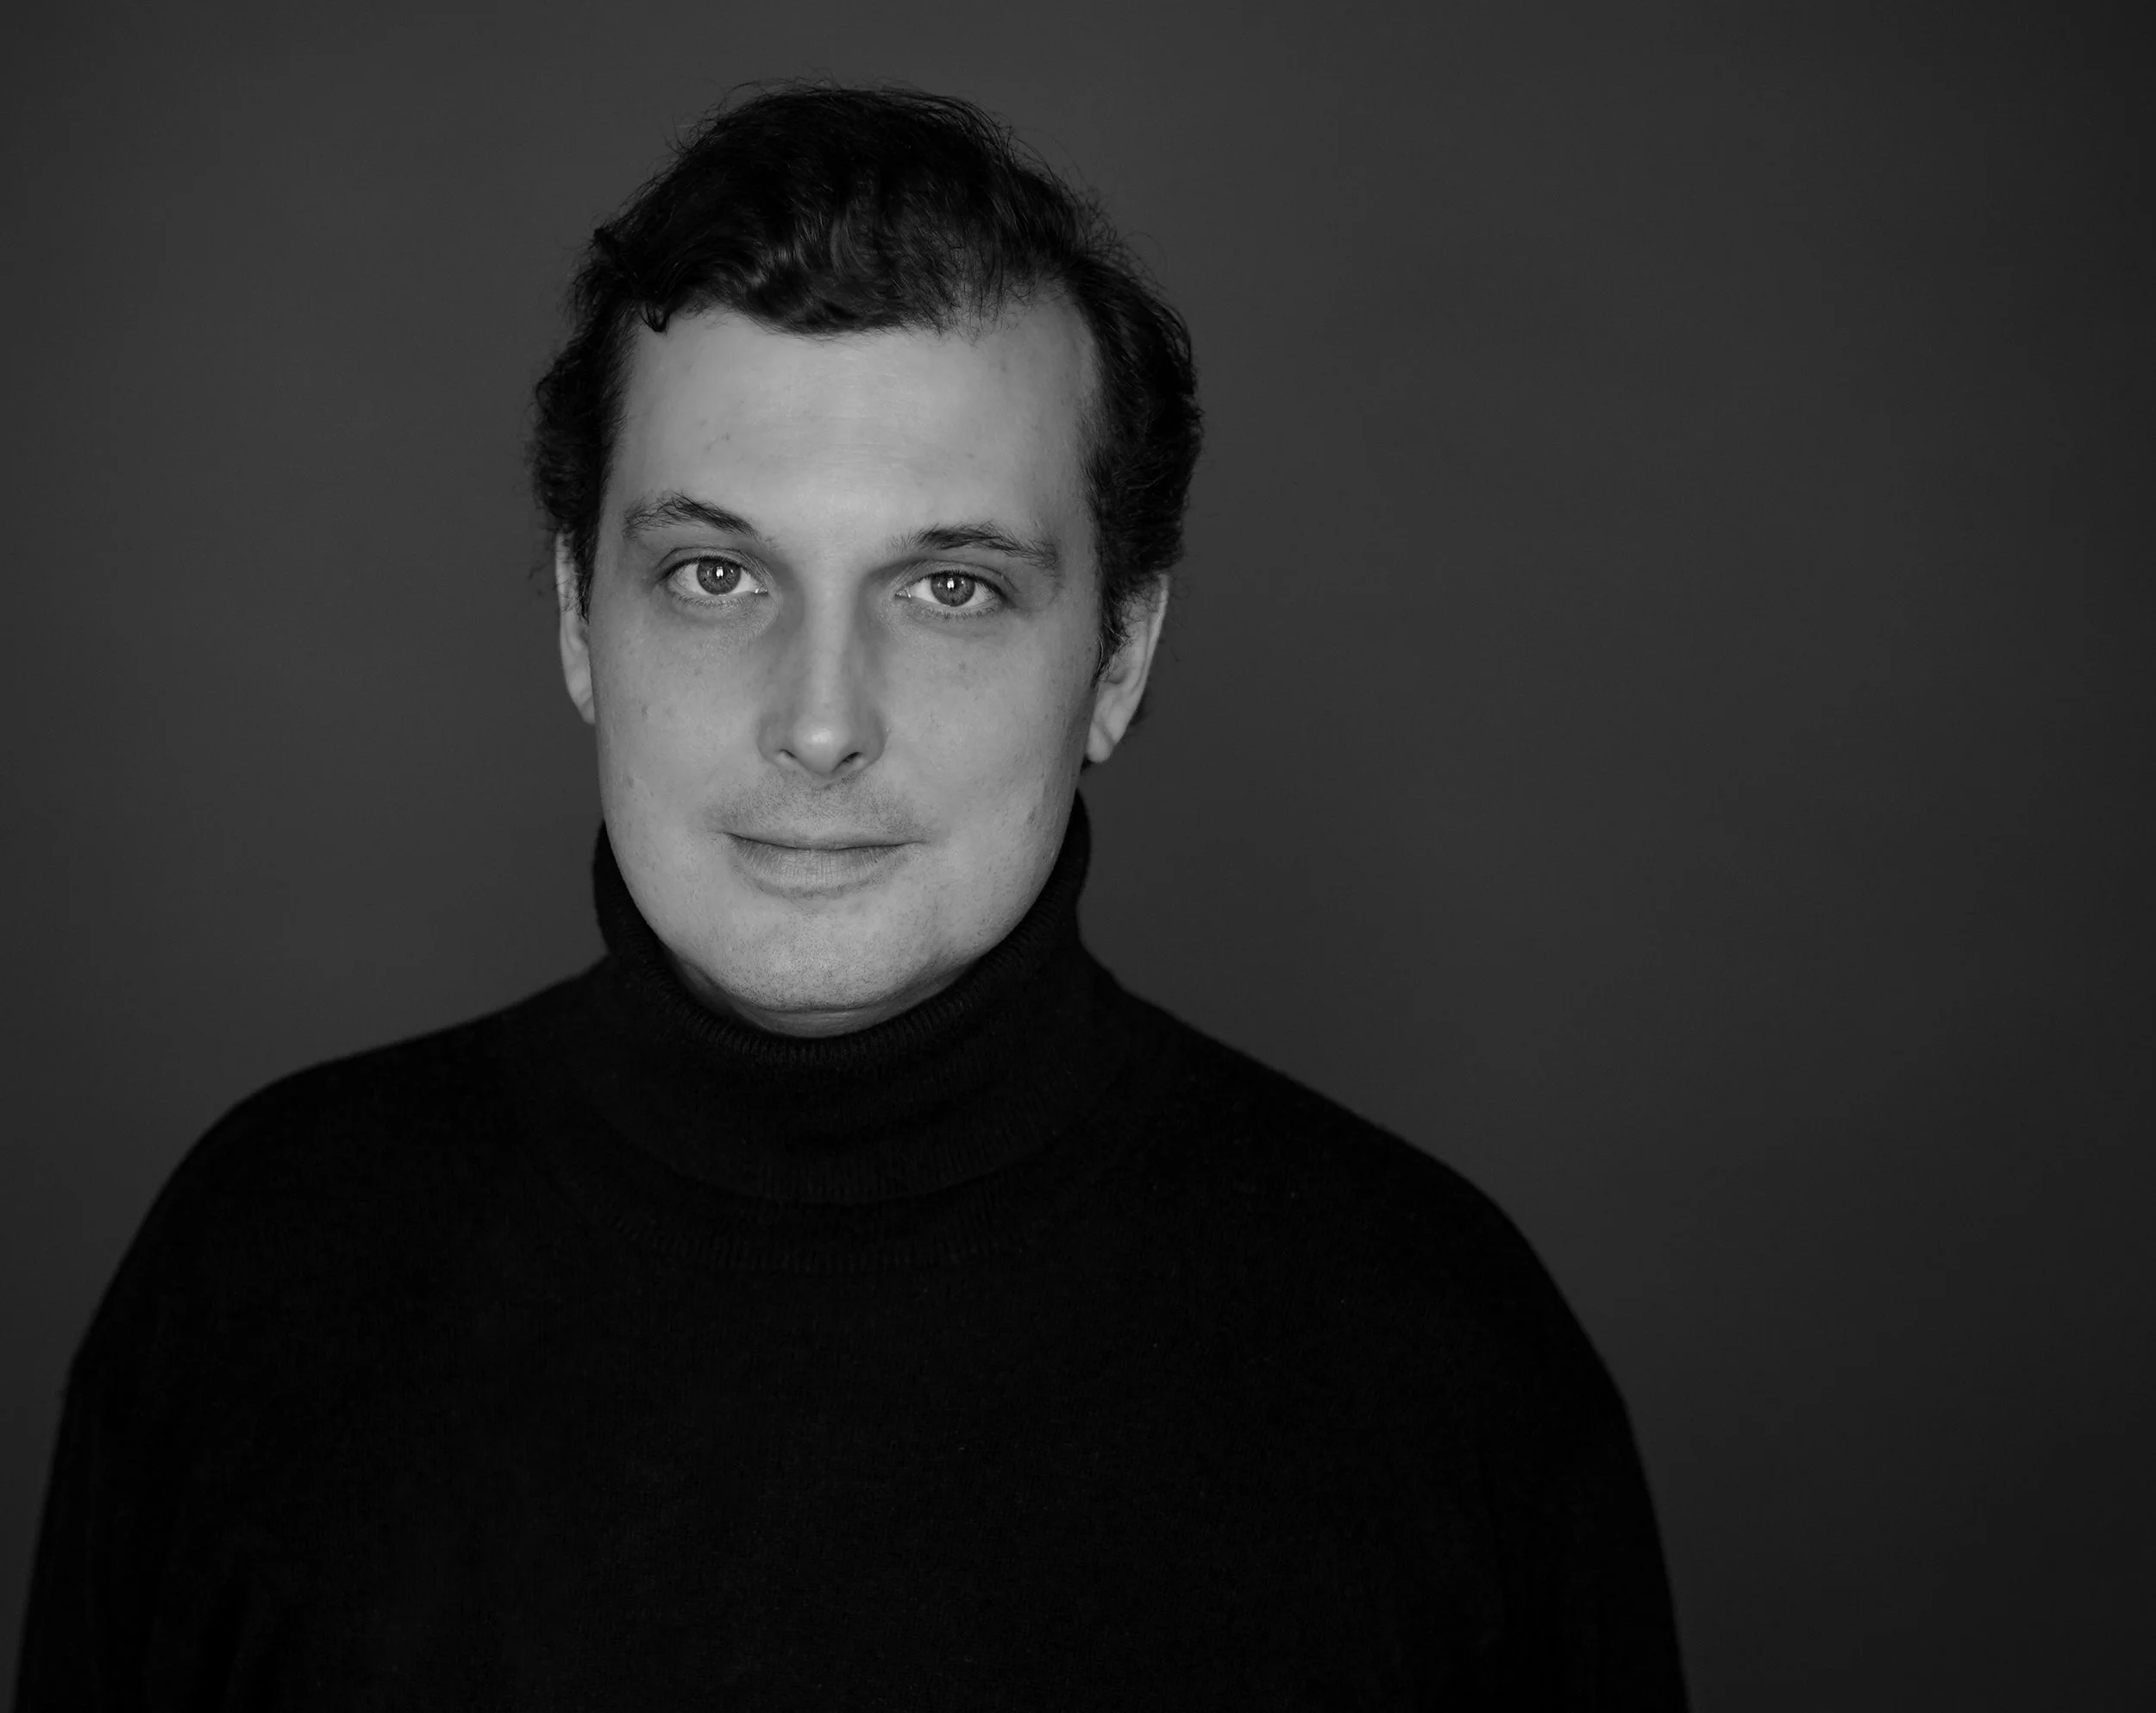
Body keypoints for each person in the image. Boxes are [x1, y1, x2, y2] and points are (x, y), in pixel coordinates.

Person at [16, 84, 1686, 1708]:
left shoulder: (1433, 1348)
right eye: (714, 573)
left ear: (1119, 658)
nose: (820, 723)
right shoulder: (266, 1268)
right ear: (580, 621)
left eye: (949, 587)